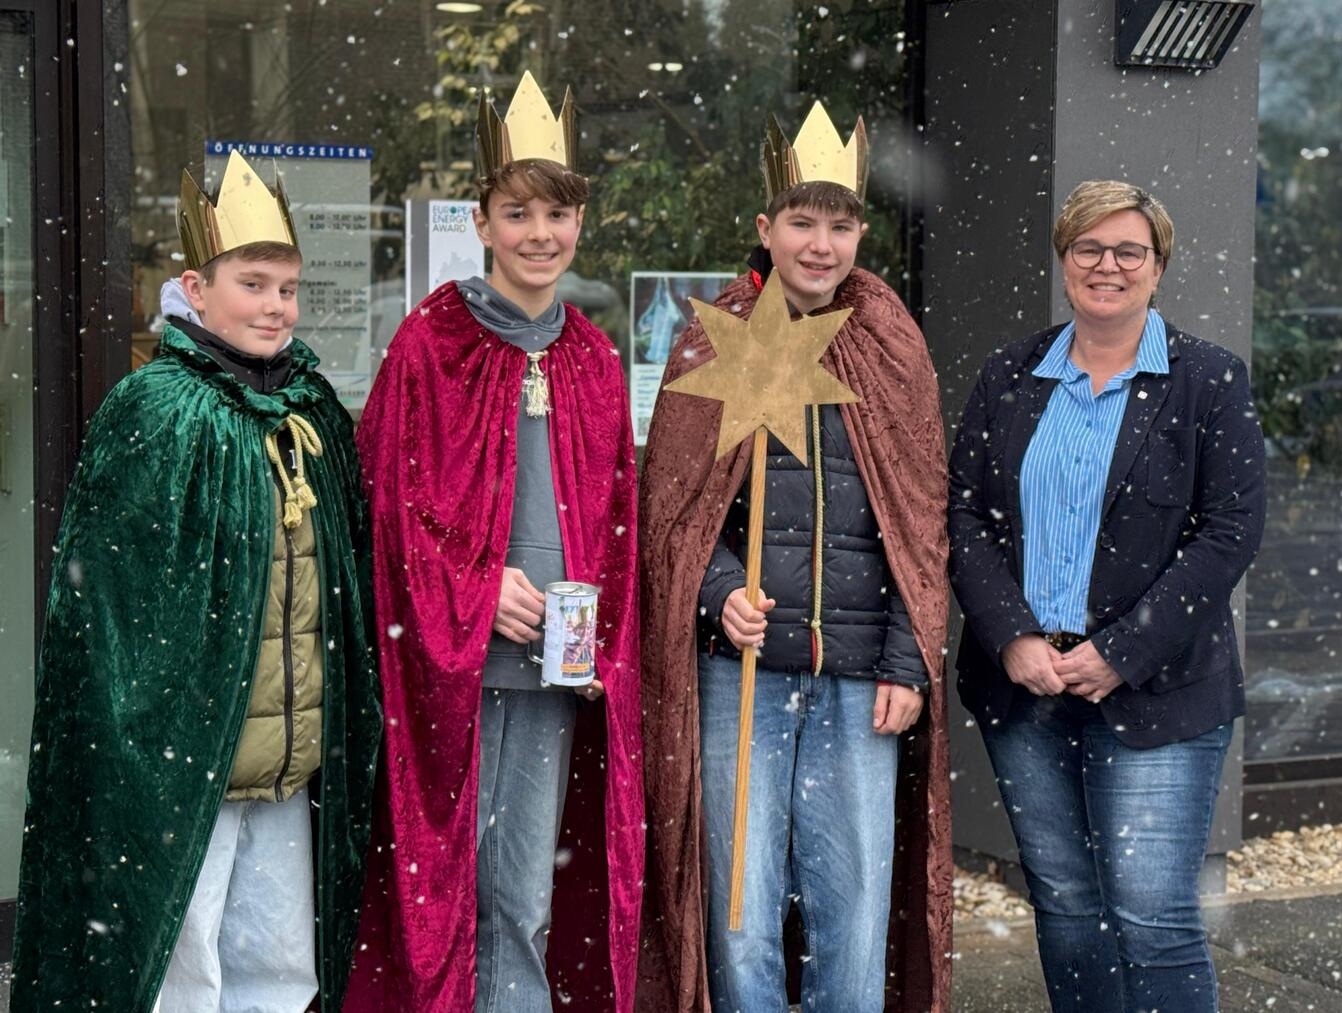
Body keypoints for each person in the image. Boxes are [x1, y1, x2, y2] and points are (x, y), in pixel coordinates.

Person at [9, 150, 382, 1013]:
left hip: (286, 764)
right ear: (194, 287)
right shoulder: (155, 411)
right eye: (253, 284)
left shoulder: (312, 410)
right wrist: (145, 746)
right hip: (187, 767)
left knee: (282, 966)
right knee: (185, 968)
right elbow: (106, 617)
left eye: (287, 288)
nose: (275, 307)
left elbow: (342, 593)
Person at [639, 102, 952, 1013]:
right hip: (745, 671)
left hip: (860, 678)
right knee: (739, 897)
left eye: (841, 224)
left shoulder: (891, 342)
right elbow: (673, 511)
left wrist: (907, 659)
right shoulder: (714, 339)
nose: (821, 244)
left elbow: (920, 520)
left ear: (861, 231)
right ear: (765, 228)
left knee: (852, 896)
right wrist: (719, 590)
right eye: (803, 223)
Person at [343, 72, 643, 1013]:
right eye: (517, 212)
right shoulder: (429, 344)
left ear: (580, 223)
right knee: (443, 893)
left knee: (524, 895)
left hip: (552, 675)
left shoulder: (593, 357)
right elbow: (388, 507)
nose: (539, 234)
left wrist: (604, 640)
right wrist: (477, 586)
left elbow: (617, 520)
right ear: (480, 222)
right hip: (448, 669)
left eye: (556, 213)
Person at [948, 180, 1267, 1013]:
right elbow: (965, 515)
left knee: (1153, 918)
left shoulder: (1207, 381)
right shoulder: (1011, 374)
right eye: (1088, 247)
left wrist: (1122, 650)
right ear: (1064, 259)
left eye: (1130, 250)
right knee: (1066, 909)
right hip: (1027, 690)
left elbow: (1228, 532)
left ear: (1158, 268)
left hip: (1159, 689)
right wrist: (1013, 636)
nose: (1107, 266)